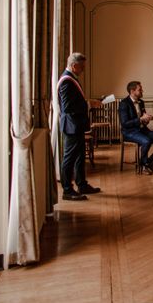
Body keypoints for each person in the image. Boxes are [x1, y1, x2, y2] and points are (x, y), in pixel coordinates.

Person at [57, 52, 101, 200]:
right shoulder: (66, 81)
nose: (83, 69)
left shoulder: (71, 79)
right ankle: (67, 190)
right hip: (71, 126)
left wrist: (88, 101)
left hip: (77, 125)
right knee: (69, 158)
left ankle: (82, 184)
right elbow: (68, 107)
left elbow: (75, 101)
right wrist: (89, 103)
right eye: (81, 67)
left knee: (80, 156)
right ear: (74, 65)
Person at [118, 81, 153, 174]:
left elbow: (142, 119)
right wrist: (140, 119)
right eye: (140, 90)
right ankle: (143, 166)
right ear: (132, 91)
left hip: (143, 130)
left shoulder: (141, 102)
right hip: (129, 132)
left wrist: (147, 119)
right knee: (146, 140)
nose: (142, 91)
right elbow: (124, 123)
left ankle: (148, 161)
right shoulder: (124, 103)